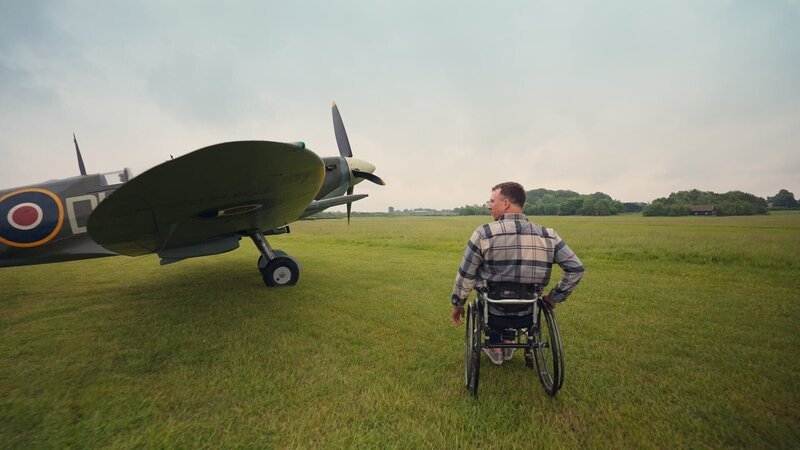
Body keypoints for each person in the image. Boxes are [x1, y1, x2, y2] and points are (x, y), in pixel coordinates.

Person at [450, 182, 584, 365]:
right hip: (528, 312)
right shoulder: (548, 235)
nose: (489, 206)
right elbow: (575, 268)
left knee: (489, 290)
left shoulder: (484, 233)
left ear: (505, 204)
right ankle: (508, 341)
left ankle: (496, 347)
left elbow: (466, 274)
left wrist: (458, 304)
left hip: (493, 310)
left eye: (492, 201)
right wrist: (554, 297)